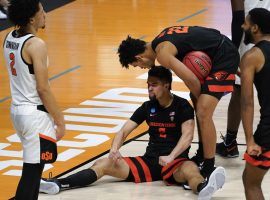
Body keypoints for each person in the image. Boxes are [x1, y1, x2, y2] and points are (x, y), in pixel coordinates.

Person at [39, 66, 225, 200]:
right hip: (149, 161)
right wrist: (114, 149)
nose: (149, 88)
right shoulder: (147, 107)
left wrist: (171, 156)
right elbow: (124, 131)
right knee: (103, 163)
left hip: (175, 162)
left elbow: (187, 137)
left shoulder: (182, 105)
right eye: (148, 84)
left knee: (190, 169)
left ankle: (203, 189)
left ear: (167, 85)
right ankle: (59, 183)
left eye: (154, 85)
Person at [117, 25, 239, 178]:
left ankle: (208, 167)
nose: (141, 68)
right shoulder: (161, 38)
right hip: (218, 48)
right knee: (198, 104)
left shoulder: (163, 54)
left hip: (223, 55)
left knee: (203, 112)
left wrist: (202, 106)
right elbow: (206, 33)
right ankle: (202, 153)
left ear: (139, 58)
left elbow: (192, 80)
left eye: (137, 66)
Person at [3, 0, 65, 199]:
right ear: (31, 18)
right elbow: (43, 89)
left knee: (35, 171)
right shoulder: (36, 44)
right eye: (41, 10)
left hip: (17, 111)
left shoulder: (9, 37)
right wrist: (59, 119)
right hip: (33, 115)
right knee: (30, 175)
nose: (45, 13)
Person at [217, 0, 270, 158]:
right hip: (266, 29)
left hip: (252, 33)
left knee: (240, 91)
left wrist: (232, 53)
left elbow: (239, 17)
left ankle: (230, 143)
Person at [240, 8, 270, 200]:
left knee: (251, 182)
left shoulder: (251, 57)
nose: (243, 26)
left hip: (268, 129)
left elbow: (246, 103)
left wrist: (250, 139)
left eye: (246, 23)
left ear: (255, 27)